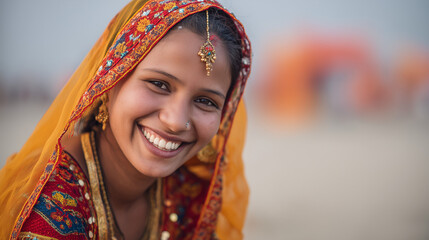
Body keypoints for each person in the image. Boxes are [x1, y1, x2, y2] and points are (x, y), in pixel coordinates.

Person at [0, 0, 251, 239]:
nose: (175, 121)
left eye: (206, 101)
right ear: (110, 80)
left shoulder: (189, 195)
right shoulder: (48, 206)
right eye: (159, 84)